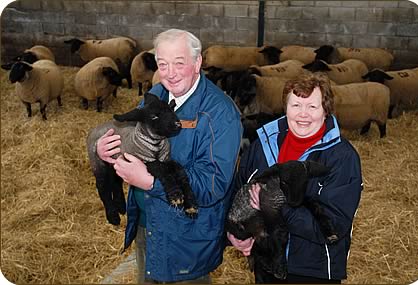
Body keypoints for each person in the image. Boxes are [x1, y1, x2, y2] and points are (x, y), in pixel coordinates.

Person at [96, 29, 242, 283]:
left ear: (197, 64)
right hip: (148, 223)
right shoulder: (156, 95)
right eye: (163, 64)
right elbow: (134, 136)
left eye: (179, 63)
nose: (170, 72)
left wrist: (151, 183)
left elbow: (213, 185)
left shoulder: (220, 113)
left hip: (186, 237)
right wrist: (106, 148)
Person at [227, 73, 363, 284]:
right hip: (266, 264)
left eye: (312, 107)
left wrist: (277, 207)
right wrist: (235, 234)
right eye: (296, 105)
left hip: (312, 270)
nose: (303, 114)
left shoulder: (342, 158)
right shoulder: (263, 145)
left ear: (325, 110)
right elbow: (237, 189)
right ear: (286, 107)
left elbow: (334, 226)